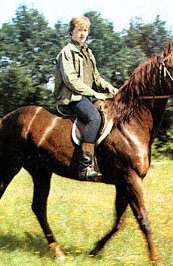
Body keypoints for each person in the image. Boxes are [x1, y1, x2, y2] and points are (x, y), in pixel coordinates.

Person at [54, 16, 118, 181]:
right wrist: (94, 93)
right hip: (72, 96)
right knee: (94, 118)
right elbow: (71, 80)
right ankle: (85, 167)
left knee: (108, 112)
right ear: (71, 31)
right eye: (79, 30)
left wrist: (109, 87)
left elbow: (96, 78)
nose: (83, 34)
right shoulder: (66, 52)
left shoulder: (88, 53)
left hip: (87, 95)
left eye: (85, 30)